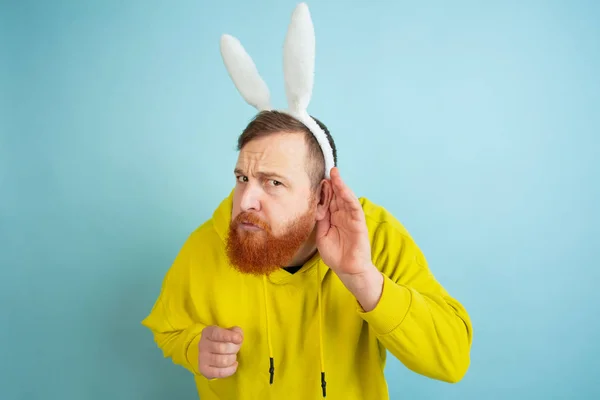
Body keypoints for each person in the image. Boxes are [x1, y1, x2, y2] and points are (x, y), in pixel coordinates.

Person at [141, 4, 472, 400]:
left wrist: (363, 279)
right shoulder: (207, 245)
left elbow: (452, 359)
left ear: (321, 198)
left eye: (273, 182)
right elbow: (168, 329)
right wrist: (193, 348)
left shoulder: (376, 237)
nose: (245, 199)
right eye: (242, 178)